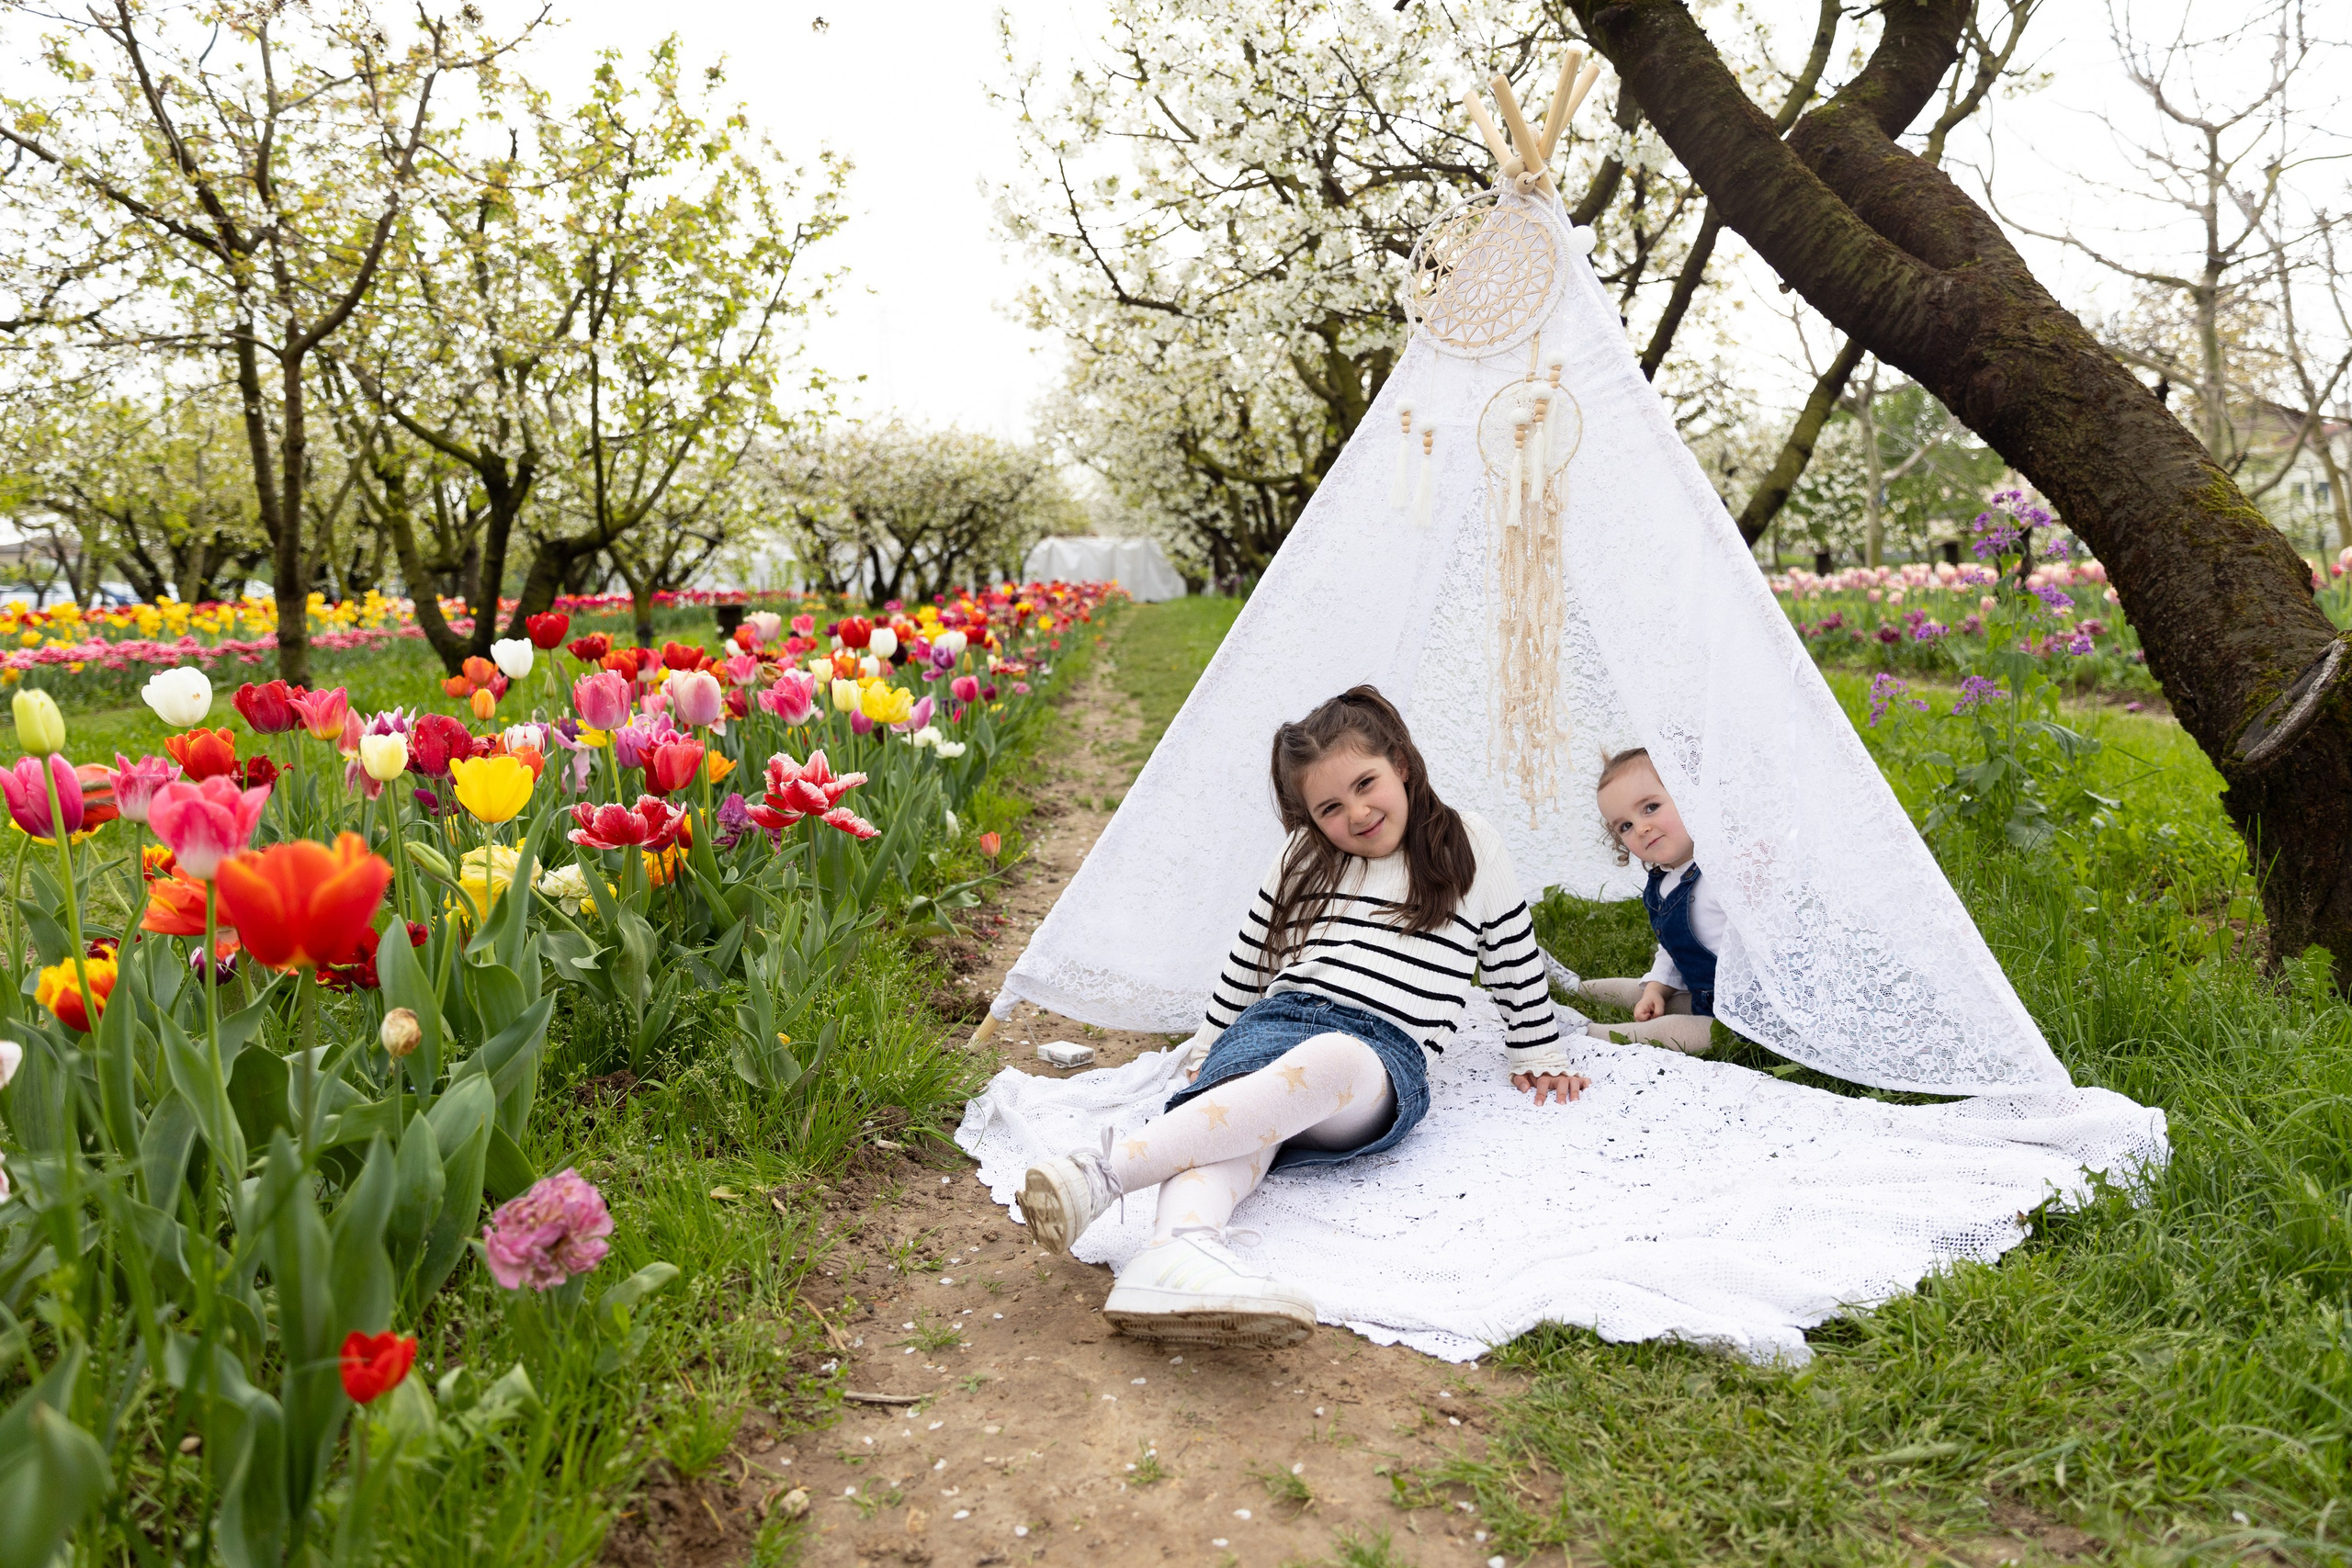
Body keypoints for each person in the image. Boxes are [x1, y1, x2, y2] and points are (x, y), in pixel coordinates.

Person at [1017, 686, 1590, 1348]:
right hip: (1277, 1021)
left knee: (1333, 1060)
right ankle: (1174, 1254)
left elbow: (1513, 954)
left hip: (1379, 1053)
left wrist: (1536, 1049)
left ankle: (1104, 1172)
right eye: (1330, 807)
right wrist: (1212, 1036)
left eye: (1366, 783)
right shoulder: (1302, 856)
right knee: (1237, 1127)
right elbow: (1250, 955)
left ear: (1401, 763)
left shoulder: (1468, 843)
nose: (1357, 811)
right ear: (1311, 817)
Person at [1571, 747, 1719, 1055]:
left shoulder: (1725, 874)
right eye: (1624, 826)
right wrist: (1657, 988)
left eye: (1651, 807)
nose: (1640, 828)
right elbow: (1675, 946)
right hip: (1705, 994)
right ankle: (1576, 987)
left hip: (1748, 1015)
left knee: (1676, 1030)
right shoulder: (1664, 882)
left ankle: (1582, 1032)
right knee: (1648, 992)